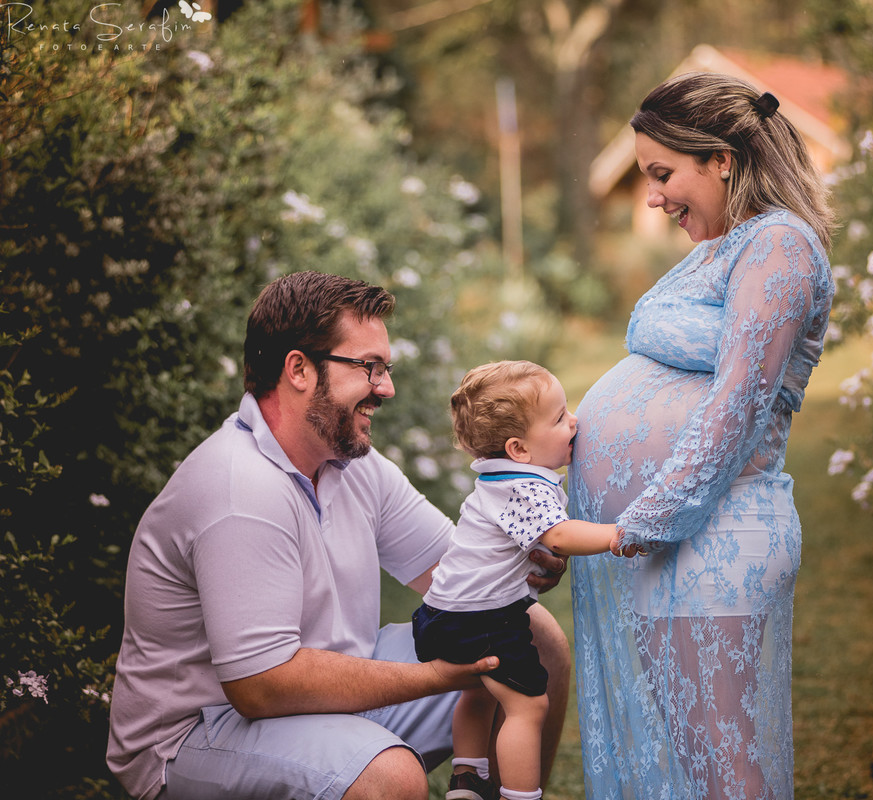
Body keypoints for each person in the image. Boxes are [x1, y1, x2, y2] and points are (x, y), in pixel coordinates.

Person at [106, 272, 572, 800]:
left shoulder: (353, 466)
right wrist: (441, 675)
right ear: (299, 369)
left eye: (386, 368)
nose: (387, 387)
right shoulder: (240, 491)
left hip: (323, 683)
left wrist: (519, 560)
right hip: (198, 734)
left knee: (530, 637)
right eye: (368, 367)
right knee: (389, 779)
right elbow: (261, 685)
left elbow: (455, 574)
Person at [567, 72, 836, 799]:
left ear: (722, 157)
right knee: (691, 760)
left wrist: (637, 526)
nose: (653, 195)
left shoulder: (779, 243)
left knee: (725, 770)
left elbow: (741, 402)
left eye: (663, 173)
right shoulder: (724, 247)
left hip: (715, 535)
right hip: (678, 540)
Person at [412, 360, 621, 800]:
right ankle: (521, 795)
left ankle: (467, 781)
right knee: (527, 706)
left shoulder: (496, 481)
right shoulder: (525, 487)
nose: (575, 422)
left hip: (441, 616)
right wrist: (616, 536)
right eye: (560, 417)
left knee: (481, 691)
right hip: (483, 620)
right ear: (519, 448)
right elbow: (559, 535)